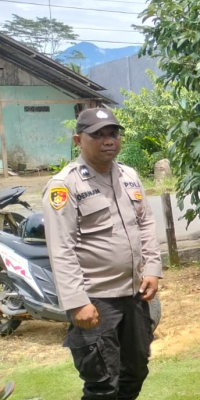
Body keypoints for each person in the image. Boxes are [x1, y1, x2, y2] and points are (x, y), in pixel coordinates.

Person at [43, 108, 162, 400]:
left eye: (113, 133)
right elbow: (61, 248)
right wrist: (76, 302)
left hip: (134, 296)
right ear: (78, 140)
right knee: (102, 383)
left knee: (135, 371)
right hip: (96, 300)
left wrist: (152, 269)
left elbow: (144, 223)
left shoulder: (130, 177)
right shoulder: (64, 185)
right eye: (98, 135)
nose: (108, 140)